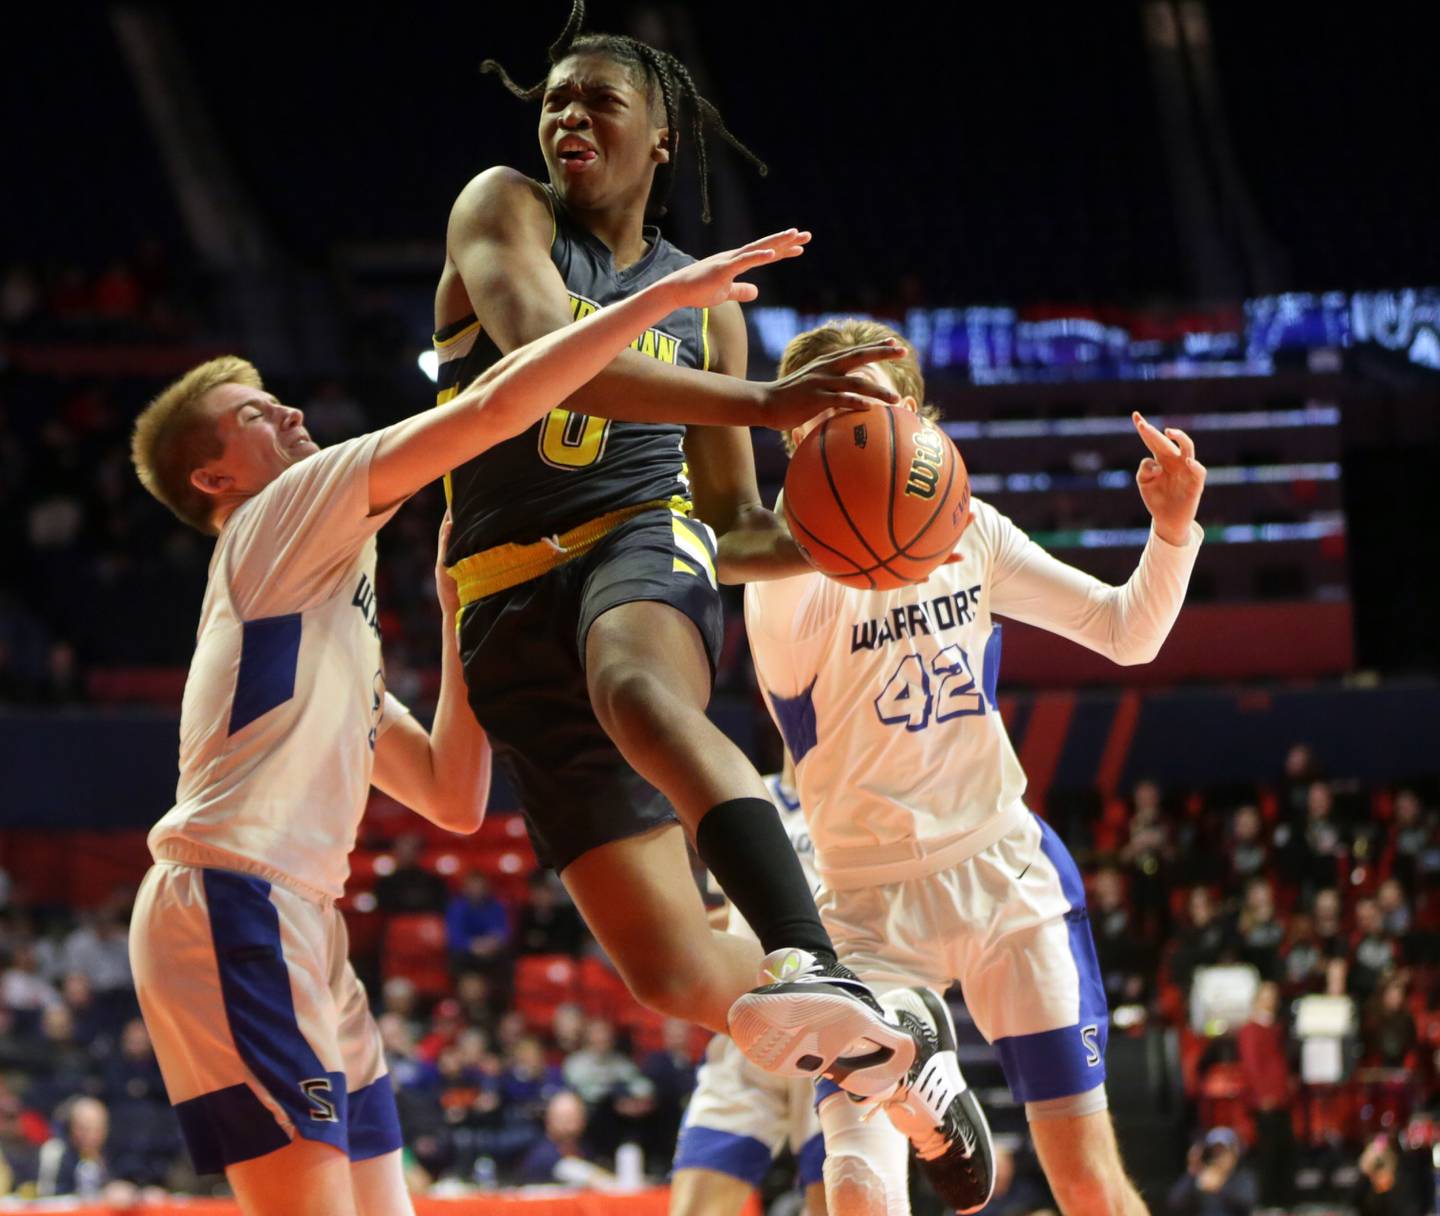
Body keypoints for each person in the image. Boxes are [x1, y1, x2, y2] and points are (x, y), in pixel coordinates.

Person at [125, 229, 811, 1216]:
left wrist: (456, 616)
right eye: (251, 414)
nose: (287, 409)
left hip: (297, 917)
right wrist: (657, 308)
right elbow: (494, 407)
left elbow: (453, 796)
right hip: (234, 900)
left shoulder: (325, 621)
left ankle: (848, 971)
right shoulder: (273, 519)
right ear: (213, 478)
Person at [440, 1, 979, 1194]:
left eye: (599, 100)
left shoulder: (709, 304)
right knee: (674, 973)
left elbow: (734, 529)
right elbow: (538, 357)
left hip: (637, 549)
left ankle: (810, 957)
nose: (567, 115)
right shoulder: (502, 209)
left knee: (635, 682)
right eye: (555, 99)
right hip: (500, 599)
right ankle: (897, 1036)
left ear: (662, 136)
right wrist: (764, 410)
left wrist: (876, 541)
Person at [743, 318, 1208, 1214]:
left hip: (1004, 879)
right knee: (857, 1188)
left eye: (869, 407)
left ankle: (924, 1057)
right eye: (823, 413)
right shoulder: (781, 573)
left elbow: (1126, 632)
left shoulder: (972, 531)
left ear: (915, 416)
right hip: (864, 908)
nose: (849, 429)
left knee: (1087, 1183)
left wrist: (1175, 527)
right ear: (793, 431)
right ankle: (912, 1053)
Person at [671, 760, 827, 1216]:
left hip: (832, 1035)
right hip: (748, 1028)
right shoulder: (737, 788)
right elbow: (731, 918)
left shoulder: (860, 797)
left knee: (840, 1202)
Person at [1164, 1128, 1256, 1216]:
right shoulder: (1201, 1175)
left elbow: (1246, 1203)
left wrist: (1219, 1189)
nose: (1218, 1157)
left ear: (1233, 1153)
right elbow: (1174, 1202)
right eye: (1214, 1152)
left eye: (1222, 1152)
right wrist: (1193, 1171)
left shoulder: (1242, 1177)